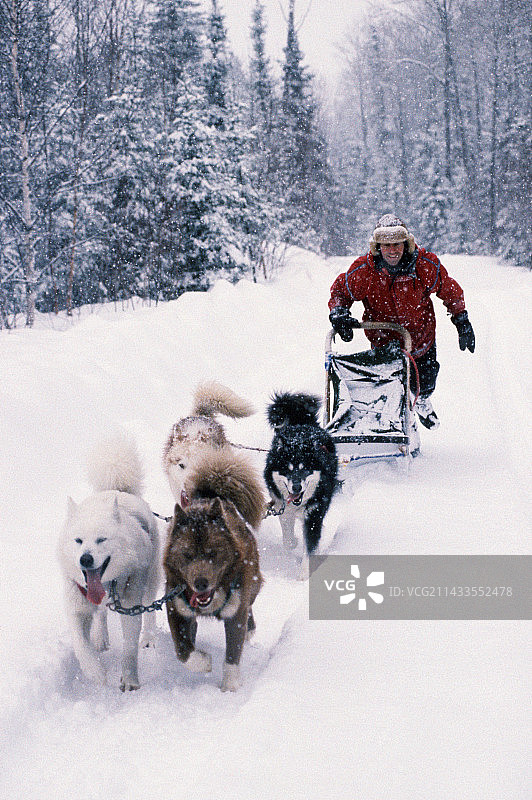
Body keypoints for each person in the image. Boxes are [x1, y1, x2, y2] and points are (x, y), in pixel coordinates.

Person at [328, 214, 475, 429]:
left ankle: (422, 401)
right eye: (386, 245)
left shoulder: (424, 264)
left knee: (425, 382)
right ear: (377, 246)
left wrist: (461, 320)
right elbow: (341, 290)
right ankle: (396, 419)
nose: (392, 250)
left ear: (406, 243)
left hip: (420, 338)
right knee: (388, 384)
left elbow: (449, 289)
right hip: (384, 339)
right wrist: (339, 313)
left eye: (397, 244)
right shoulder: (365, 270)